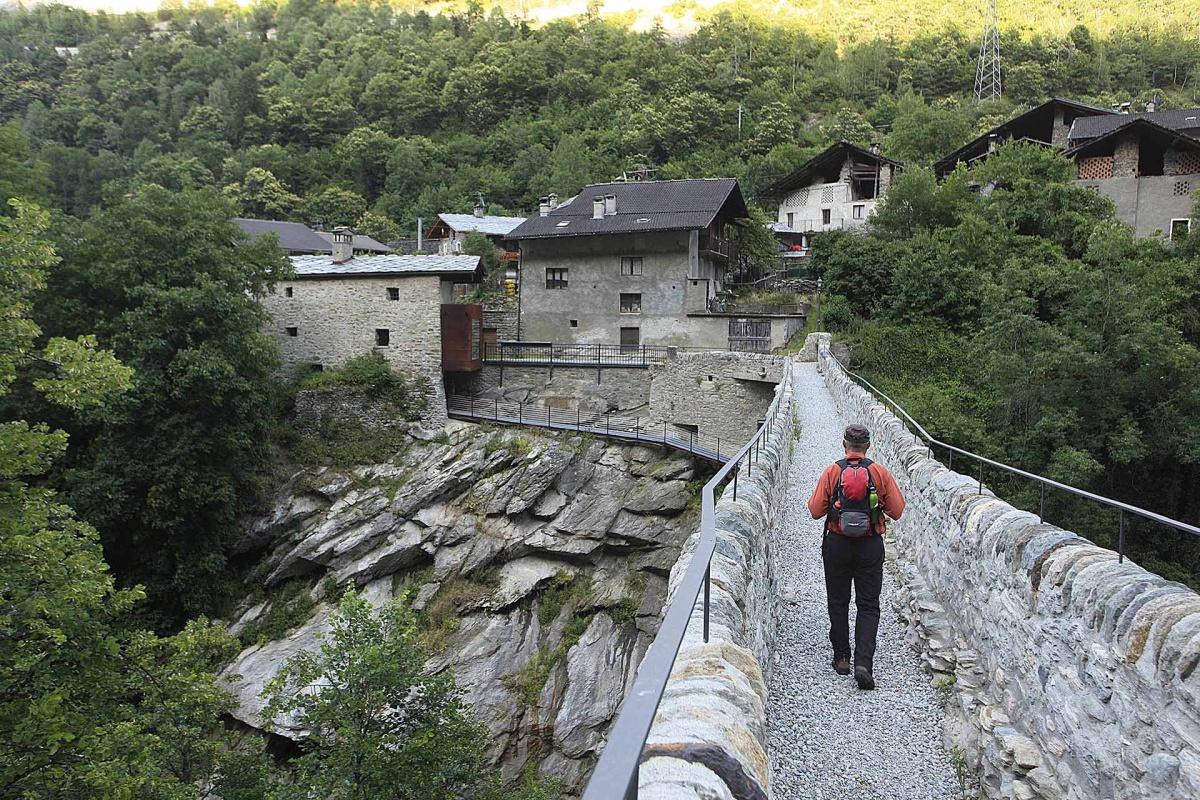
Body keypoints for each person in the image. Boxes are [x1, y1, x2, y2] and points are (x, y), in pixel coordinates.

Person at [807, 424, 905, 690]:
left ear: (844, 445)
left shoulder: (833, 471)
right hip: (870, 545)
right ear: (868, 446)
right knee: (869, 605)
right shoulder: (879, 472)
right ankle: (864, 663)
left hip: (837, 544)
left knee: (838, 601)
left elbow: (815, 511)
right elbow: (897, 510)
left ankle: (841, 657)